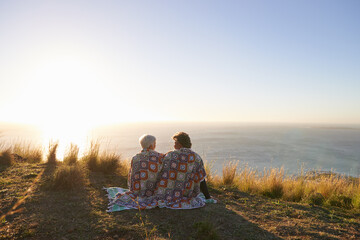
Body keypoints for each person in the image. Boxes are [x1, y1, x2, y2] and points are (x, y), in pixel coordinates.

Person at [155, 132, 211, 209]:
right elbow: (201, 178)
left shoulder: (170, 155)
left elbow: (160, 170)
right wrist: (207, 196)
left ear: (179, 144)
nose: (174, 145)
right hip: (188, 192)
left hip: (170, 192)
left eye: (175, 143)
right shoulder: (196, 157)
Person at [110, 134, 164, 209]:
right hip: (154, 190)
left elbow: (132, 176)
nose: (155, 145)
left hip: (138, 190)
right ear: (151, 146)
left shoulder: (135, 158)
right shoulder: (160, 157)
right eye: (155, 143)